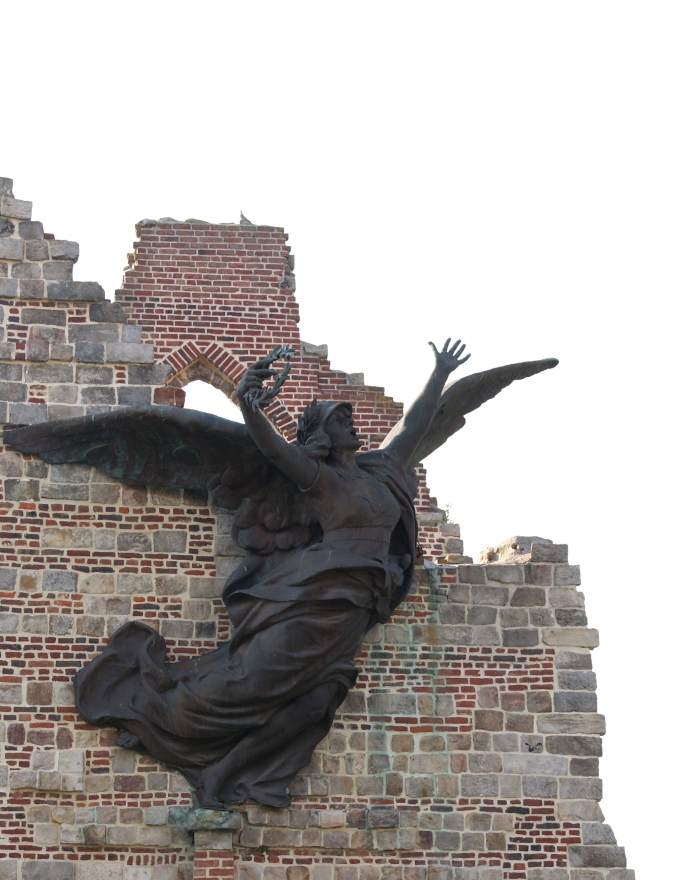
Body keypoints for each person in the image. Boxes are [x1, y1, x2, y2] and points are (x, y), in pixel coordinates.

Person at [74, 339, 470, 807]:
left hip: (356, 607)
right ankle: (154, 707)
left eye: (350, 416)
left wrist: (440, 373)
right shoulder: (318, 478)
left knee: (316, 702)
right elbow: (269, 447)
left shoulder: (380, 472)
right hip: (316, 597)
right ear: (321, 431)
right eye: (340, 417)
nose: (351, 421)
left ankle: (228, 774)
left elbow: (412, 425)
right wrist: (248, 401)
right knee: (248, 682)